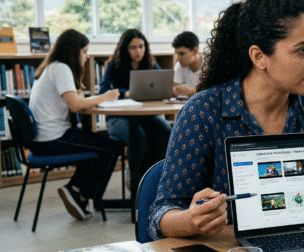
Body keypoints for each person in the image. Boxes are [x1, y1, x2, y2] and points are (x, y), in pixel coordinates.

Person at [148, 0, 304, 240]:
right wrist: (191, 220)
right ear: (259, 56)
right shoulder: (203, 113)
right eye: (302, 50)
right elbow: (161, 213)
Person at [28, 29, 122, 221]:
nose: (87, 56)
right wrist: (105, 96)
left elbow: (75, 99)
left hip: (44, 138)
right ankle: (82, 196)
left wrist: (78, 86)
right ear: (73, 52)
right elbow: (76, 105)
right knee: (112, 147)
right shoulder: (61, 68)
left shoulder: (52, 67)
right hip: (52, 140)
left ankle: (76, 189)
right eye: (84, 52)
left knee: (100, 144)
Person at [99, 29, 172, 173]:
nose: (138, 51)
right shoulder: (114, 66)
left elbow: (161, 88)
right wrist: (124, 92)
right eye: (133, 47)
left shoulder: (151, 65)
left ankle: (146, 176)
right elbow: (103, 91)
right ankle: (134, 177)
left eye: (141, 46)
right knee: (138, 138)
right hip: (118, 117)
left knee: (166, 134)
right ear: (125, 49)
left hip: (146, 116)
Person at [171, 31, 203, 98]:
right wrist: (177, 91)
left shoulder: (210, 64)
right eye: (177, 54)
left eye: (182, 53)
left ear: (195, 51)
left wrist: (192, 91)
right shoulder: (180, 65)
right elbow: (173, 89)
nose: (178, 58)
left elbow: (215, 90)